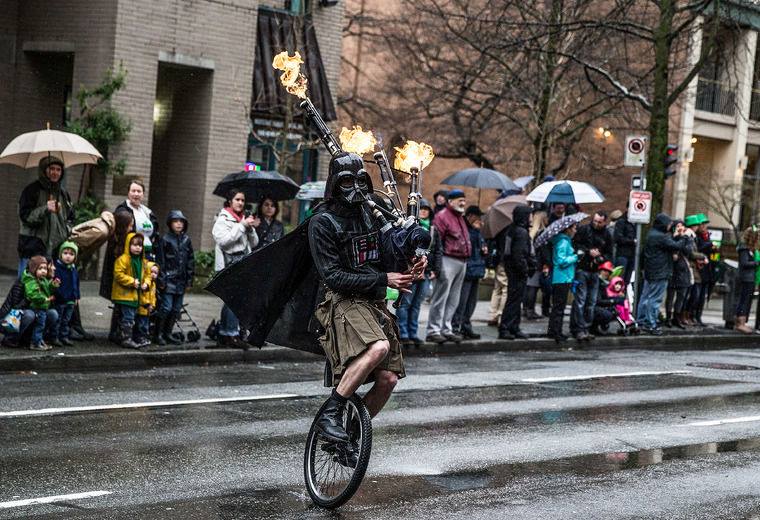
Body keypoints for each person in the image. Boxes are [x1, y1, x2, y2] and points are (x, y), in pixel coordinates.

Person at [308, 151, 420, 446]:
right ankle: (331, 413)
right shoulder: (322, 222)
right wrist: (385, 279)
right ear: (334, 184)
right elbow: (332, 276)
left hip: (374, 301)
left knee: (388, 380)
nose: (355, 187)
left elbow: (390, 255)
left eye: (361, 180)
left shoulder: (374, 213)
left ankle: (349, 437)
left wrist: (413, 262)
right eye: (347, 181)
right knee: (378, 347)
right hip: (341, 300)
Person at [212, 190, 259, 348]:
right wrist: (242, 226)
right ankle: (230, 334)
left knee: (232, 301)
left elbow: (253, 243)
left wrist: (250, 229)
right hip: (228, 264)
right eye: (237, 199)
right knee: (234, 300)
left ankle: (227, 333)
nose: (240, 202)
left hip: (242, 263)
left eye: (242, 200)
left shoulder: (242, 219)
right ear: (230, 201)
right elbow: (224, 241)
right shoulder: (223, 219)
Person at [426, 189, 471, 343]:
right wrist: (435, 265)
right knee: (441, 296)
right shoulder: (442, 216)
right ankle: (433, 330)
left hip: (461, 260)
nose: (463, 203)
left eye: (464, 200)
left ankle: (446, 328)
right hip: (447, 259)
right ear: (450, 201)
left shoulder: (460, 217)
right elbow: (435, 242)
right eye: (460, 200)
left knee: (453, 299)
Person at [17, 156, 74, 278]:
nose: (55, 173)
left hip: (55, 250)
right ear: (44, 170)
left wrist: (66, 231)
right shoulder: (31, 190)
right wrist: (45, 209)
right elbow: (25, 217)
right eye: (51, 169)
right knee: (26, 287)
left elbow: (70, 217)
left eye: (58, 169)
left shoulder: (63, 194)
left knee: (50, 290)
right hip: (33, 248)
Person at [396, 201, 440, 346]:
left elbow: (437, 251)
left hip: (426, 272)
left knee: (416, 304)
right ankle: (403, 333)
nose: (424, 212)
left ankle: (413, 333)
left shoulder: (433, 230)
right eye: (422, 209)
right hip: (411, 270)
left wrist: (434, 269)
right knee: (405, 303)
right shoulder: (408, 227)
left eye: (427, 209)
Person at [636, 213, 688, 335]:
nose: (670, 226)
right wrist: (684, 237)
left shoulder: (651, 234)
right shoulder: (661, 237)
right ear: (663, 224)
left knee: (645, 297)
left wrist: (675, 237)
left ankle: (642, 321)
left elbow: (668, 245)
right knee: (655, 299)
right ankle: (651, 324)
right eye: (669, 224)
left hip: (650, 271)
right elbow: (676, 246)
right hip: (660, 272)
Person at [570, 211, 612, 341]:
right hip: (583, 268)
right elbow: (576, 245)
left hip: (595, 270)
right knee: (581, 300)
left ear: (604, 222)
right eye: (595, 221)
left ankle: (586, 327)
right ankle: (578, 328)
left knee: (591, 301)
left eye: (599, 222)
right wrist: (589, 252)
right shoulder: (584, 230)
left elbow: (609, 253)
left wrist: (601, 258)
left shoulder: (607, 234)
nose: (596, 224)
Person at [155, 210, 195, 346]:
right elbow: (161, 261)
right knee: (166, 307)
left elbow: (190, 261)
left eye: (181, 222)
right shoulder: (165, 239)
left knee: (176, 309)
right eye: (175, 221)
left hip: (181, 281)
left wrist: (189, 280)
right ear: (170, 223)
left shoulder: (186, 240)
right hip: (168, 279)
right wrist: (161, 280)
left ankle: (168, 333)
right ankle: (158, 333)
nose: (178, 224)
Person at [499, 205, 536, 340]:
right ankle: (507, 327)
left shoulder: (512, 229)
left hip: (512, 269)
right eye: (529, 215)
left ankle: (513, 327)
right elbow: (519, 254)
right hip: (517, 271)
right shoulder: (521, 232)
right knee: (514, 300)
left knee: (514, 299)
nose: (531, 218)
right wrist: (526, 269)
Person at [452, 205, 487, 340]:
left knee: (471, 301)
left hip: (476, 269)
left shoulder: (476, 231)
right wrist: (475, 232)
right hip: (467, 269)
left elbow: (479, 249)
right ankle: (457, 326)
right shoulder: (465, 229)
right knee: (462, 301)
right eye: (477, 216)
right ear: (471, 216)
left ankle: (466, 326)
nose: (479, 219)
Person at [100, 209, 135, 343]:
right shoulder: (118, 242)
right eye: (130, 225)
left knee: (119, 308)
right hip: (120, 281)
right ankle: (118, 333)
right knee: (121, 308)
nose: (131, 228)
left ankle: (115, 332)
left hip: (117, 281)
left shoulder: (116, 240)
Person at [111, 233, 151, 349]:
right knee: (128, 317)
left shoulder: (143, 262)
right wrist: (132, 281)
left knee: (130, 316)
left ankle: (122, 336)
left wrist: (146, 283)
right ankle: (126, 339)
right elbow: (118, 274)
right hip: (125, 295)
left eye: (140, 245)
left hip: (135, 295)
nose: (137, 248)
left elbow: (148, 275)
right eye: (134, 245)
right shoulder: (123, 259)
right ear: (128, 245)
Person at [547, 223, 578, 343]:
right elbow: (561, 261)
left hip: (562, 277)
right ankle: (556, 332)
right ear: (568, 229)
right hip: (562, 278)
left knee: (557, 306)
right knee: (559, 306)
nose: (576, 230)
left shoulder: (564, 241)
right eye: (574, 228)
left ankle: (553, 330)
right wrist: (575, 257)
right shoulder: (563, 242)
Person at [21, 255, 59, 351]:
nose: (43, 271)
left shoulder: (43, 279)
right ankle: (35, 343)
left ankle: (39, 341)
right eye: (40, 268)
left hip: (42, 307)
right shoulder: (31, 280)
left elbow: (48, 289)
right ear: (34, 269)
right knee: (39, 326)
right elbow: (32, 294)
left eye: (45, 268)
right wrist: (44, 299)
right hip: (37, 307)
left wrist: (53, 285)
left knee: (41, 326)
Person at [116, 180, 159, 257]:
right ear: (128, 193)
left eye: (139, 191)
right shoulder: (122, 211)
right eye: (133, 191)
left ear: (143, 194)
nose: (136, 194)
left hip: (147, 255)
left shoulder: (147, 212)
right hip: (129, 255)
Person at [664, 220, 694, 329]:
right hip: (672, 270)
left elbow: (689, 251)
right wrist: (675, 237)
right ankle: (668, 317)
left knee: (681, 296)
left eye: (682, 226)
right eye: (677, 226)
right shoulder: (669, 237)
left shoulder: (687, 238)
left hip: (683, 270)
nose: (680, 228)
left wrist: (682, 238)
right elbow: (668, 248)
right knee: (670, 296)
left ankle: (677, 317)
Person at [53, 241, 80, 347]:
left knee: (66, 320)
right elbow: (55, 285)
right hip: (60, 299)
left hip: (70, 299)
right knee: (58, 319)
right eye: (65, 253)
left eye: (71, 254)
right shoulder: (57, 268)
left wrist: (77, 296)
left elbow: (76, 283)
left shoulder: (73, 269)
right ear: (60, 254)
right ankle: (55, 337)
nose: (68, 256)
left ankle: (64, 336)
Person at [735, 226, 759, 334]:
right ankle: (740, 324)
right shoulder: (743, 247)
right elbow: (744, 263)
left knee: (747, 300)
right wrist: (757, 263)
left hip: (750, 278)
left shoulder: (750, 249)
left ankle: (743, 323)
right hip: (745, 278)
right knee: (743, 300)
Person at [137, 262, 159, 347]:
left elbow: (153, 297)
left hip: (148, 310)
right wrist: (147, 304)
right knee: (141, 325)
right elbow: (141, 296)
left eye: (156, 273)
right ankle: (139, 338)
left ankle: (143, 338)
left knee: (145, 325)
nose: (153, 274)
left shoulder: (153, 285)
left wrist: (152, 305)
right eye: (151, 272)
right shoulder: (145, 284)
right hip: (142, 308)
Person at [614, 206, 637, 286]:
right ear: (627, 208)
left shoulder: (636, 222)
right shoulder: (621, 221)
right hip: (623, 254)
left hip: (632, 255)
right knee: (619, 279)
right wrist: (632, 241)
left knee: (627, 280)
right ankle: (617, 298)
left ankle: (623, 296)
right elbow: (618, 238)